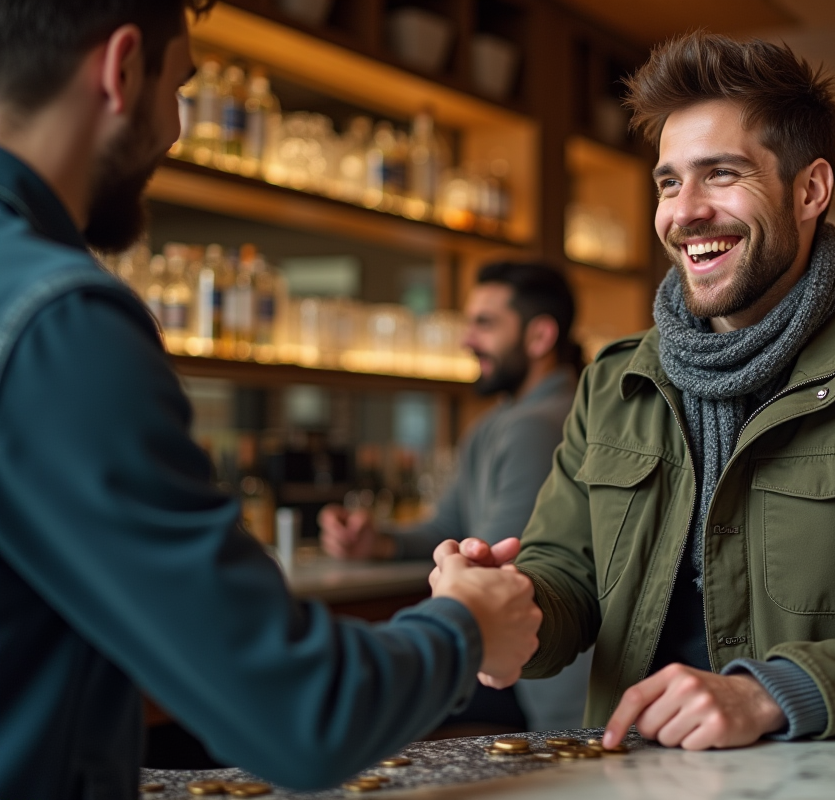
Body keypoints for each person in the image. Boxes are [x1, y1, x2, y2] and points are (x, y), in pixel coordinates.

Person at [0, 3, 540, 797]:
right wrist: (466, 625)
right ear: (120, 70)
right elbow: (303, 713)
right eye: (178, 84)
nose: (178, 128)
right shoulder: (59, 320)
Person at [440, 31, 835, 750]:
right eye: (670, 181)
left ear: (810, 190)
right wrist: (506, 607)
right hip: (629, 769)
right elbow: (568, 576)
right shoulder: (614, 382)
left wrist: (766, 694)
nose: (684, 213)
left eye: (721, 174)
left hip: (824, 776)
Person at [320, 261, 592, 731]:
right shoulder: (497, 422)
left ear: (540, 337)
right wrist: (378, 542)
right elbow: (449, 527)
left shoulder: (539, 424)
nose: (467, 340)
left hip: (538, 681)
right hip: (519, 669)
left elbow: (490, 562)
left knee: (350, 695)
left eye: (485, 324)